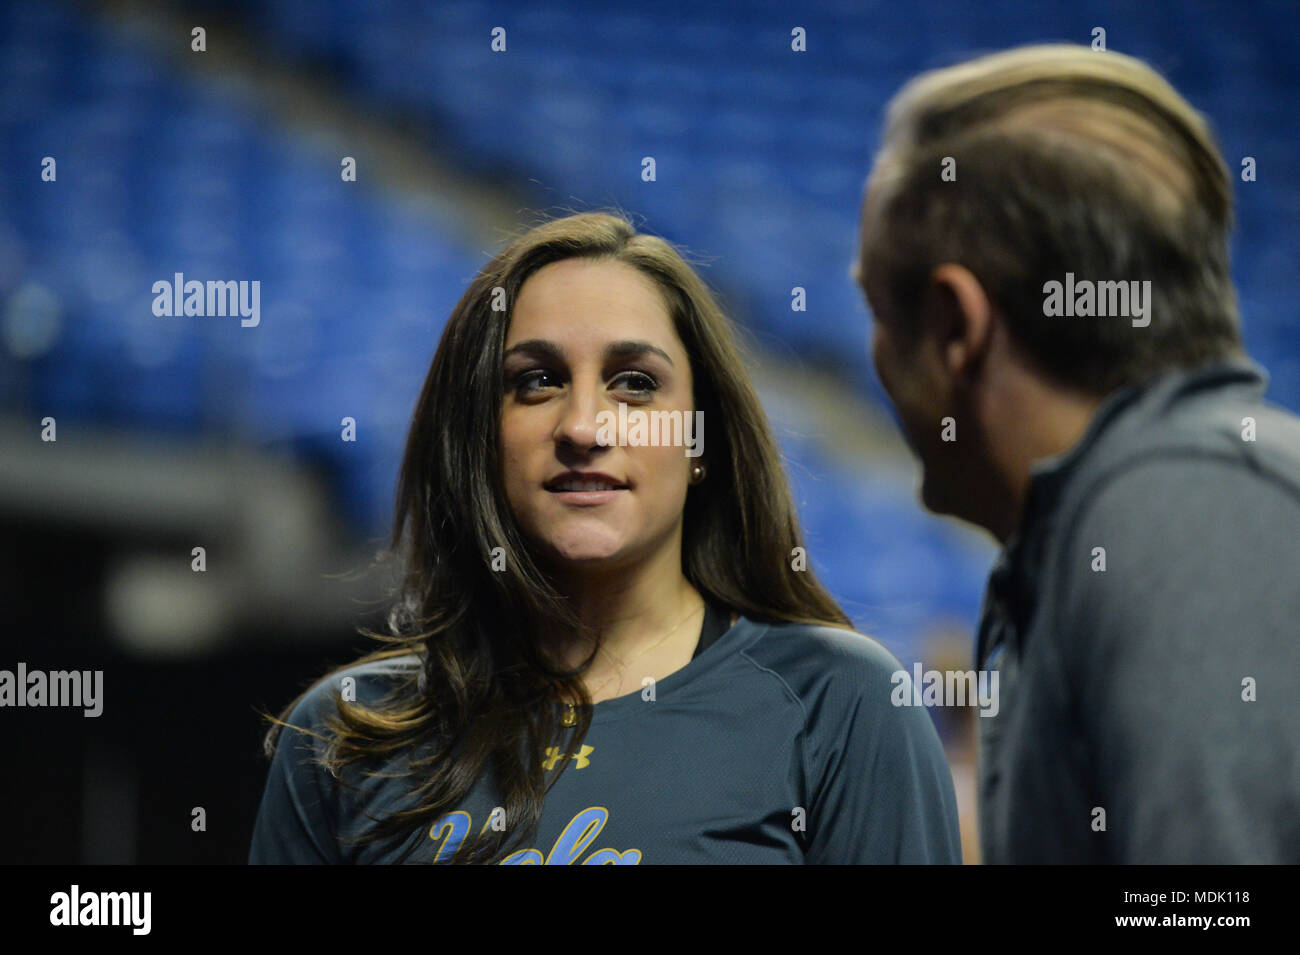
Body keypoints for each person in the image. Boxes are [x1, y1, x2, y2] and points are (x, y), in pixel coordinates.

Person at [250, 211, 961, 864]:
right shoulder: (347, 736)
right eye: (536, 381)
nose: (586, 427)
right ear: (478, 439)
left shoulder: (841, 703)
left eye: (635, 382)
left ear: (698, 440)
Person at [853, 43, 1300, 863]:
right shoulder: (1110, 526)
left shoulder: (1177, 510)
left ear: (954, 327)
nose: (872, 355)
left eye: (876, 308)